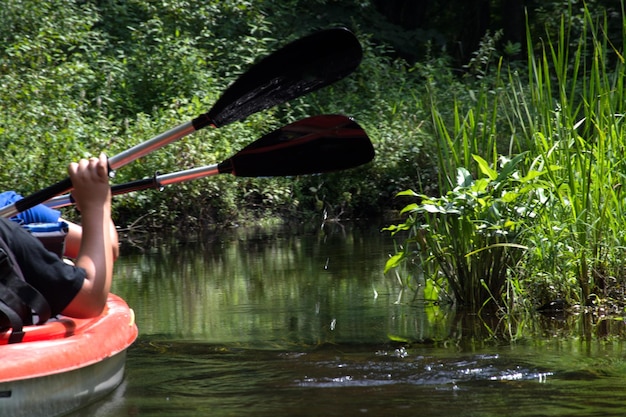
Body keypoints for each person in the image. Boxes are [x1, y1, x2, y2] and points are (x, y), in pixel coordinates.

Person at [0, 153, 117, 319]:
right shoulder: (8, 219)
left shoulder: (10, 207)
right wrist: (95, 205)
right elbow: (89, 300)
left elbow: (109, 249)